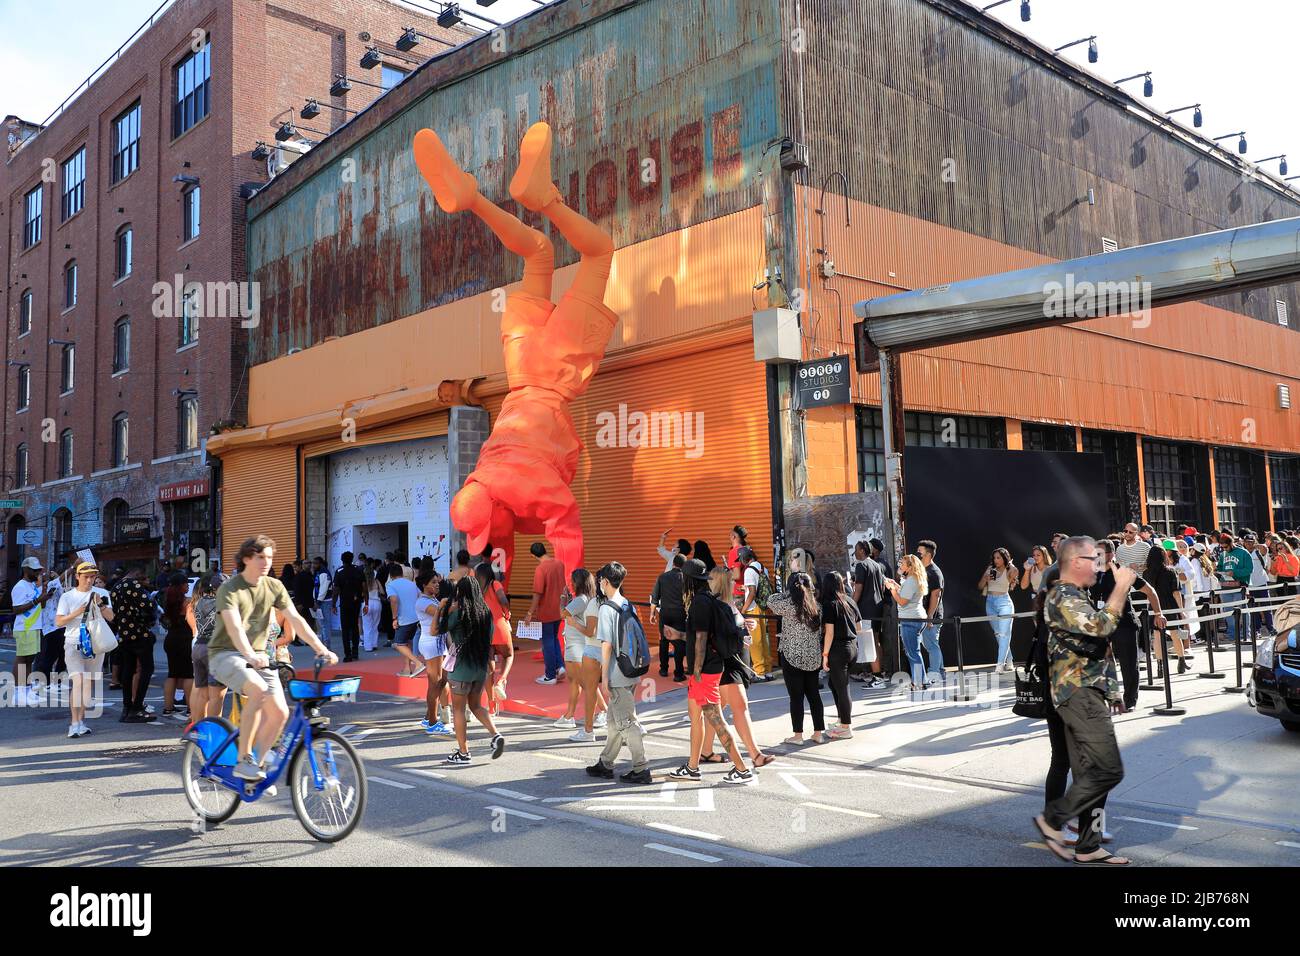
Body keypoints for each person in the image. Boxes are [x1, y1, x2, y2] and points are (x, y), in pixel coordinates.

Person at [1033, 536, 1134, 866]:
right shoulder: (1062, 595)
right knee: (1105, 768)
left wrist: (1114, 690)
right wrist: (1121, 588)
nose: (1100, 565)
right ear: (1076, 562)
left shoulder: (1077, 596)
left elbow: (1100, 652)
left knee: (1092, 771)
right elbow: (1101, 628)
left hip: (1085, 691)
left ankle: (1088, 846)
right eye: (1094, 559)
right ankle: (1053, 820)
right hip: (1076, 693)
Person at [209, 536, 336, 781]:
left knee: (279, 712)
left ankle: (257, 766)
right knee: (256, 689)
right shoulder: (230, 588)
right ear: (246, 559)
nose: (266, 562)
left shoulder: (273, 586)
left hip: (259, 657)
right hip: (226, 654)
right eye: (260, 557)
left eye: (269, 557)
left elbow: (296, 620)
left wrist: (320, 647)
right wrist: (249, 655)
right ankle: (244, 760)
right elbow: (234, 627)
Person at [667, 558, 753, 783]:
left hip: (704, 671)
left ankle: (742, 769)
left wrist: (695, 671)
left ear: (688, 580)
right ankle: (693, 766)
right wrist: (679, 636)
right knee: (695, 718)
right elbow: (699, 635)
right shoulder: (707, 600)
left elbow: (702, 639)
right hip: (707, 669)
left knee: (716, 719)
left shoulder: (700, 603)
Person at [698, 565, 775, 767]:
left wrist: (746, 625)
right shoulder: (717, 606)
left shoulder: (727, 604)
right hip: (727, 664)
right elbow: (721, 636)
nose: (735, 583)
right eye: (731, 580)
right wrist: (741, 634)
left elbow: (731, 629)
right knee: (740, 707)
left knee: (718, 709)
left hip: (734, 663)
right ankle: (755, 754)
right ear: (723, 582)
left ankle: (705, 751)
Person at [586, 562, 652, 784]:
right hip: (631, 669)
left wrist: (604, 677)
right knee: (615, 721)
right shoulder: (627, 604)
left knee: (626, 721)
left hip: (617, 673)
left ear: (605, 582)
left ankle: (641, 768)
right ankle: (605, 763)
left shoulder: (606, 608)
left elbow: (606, 645)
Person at [443, 576, 506, 764]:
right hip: (480, 670)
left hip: (461, 670)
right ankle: (495, 735)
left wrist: (444, 610)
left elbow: (439, 629)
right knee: (477, 705)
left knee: (459, 710)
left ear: (460, 593)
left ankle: (463, 752)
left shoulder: (459, 613)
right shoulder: (485, 613)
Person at [1092, 540, 1161, 712]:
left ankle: (1130, 701)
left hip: (1124, 624)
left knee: (1128, 665)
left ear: (1111, 554)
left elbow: (1150, 591)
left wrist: (1159, 614)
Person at [54, 562, 114, 739]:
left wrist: (101, 605)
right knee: (78, 681)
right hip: (73, 642)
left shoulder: (102, 593)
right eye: (86, 576)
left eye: (92, 577)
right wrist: (77, 612)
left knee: (89, 682)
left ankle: (81, 721)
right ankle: (73, 723)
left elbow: (111, 617)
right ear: (77, 577)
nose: (89, 580)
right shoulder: (68, 597)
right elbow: (59, 622)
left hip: (95, 643)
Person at [766, 572, 826, 745]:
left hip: (791, 656)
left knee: (796, 697)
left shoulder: (787, 605)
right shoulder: (818, 607)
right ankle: (818, 733)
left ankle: (798, 736)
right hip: (812, 657)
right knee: (814, 695)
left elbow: (771, 600)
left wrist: (789, 591)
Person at [556, 567, 606, 740]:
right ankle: (569, 715)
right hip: (578, 645)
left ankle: (602, 712)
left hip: (576, 646)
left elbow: (563, 613)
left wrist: (563, 599)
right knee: (577, 681)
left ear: (578, 583)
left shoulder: (580, 600)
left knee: (585, 683)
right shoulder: (588, 599)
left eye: (573, 580)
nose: (571, 583)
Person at [110, 566, 158, 723]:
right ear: (138, 575)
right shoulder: (134, 585)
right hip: (140, 633)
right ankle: (137, 707)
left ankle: (127, 707)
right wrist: (151, 617)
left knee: (128, 670)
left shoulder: (116, 587)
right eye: (144, 579)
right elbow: (148, 606)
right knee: (147, 668)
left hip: (124, 634)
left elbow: (115, 612)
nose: (146, 582)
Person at [819, 571, 860, 739]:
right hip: (852, 648)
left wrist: (825, 655)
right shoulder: (850, 601)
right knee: (834, 684)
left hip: (837, 649)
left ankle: (846, 726)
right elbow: (859, 627)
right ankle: (841, 719)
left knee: (842, 687)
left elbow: (829, 633)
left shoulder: (830, 604)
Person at [9, 557, 54, 706]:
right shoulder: (20, 587)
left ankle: (26, 690)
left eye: (38, 570)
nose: (37, 572)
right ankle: (17, 692)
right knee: (22, 659)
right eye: (35, 570)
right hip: (24, 628)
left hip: (34, 626)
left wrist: (45, 596)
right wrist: (37, 600)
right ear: (26, 570)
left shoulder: (32, 586)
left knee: (29, 660)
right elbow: (16, 609)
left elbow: (40, 606)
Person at [523, 541, 569, 684]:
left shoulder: (540, 569)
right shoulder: (559, 564)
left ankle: (550, 675)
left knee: (547, 641)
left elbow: (537, 593)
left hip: (546, 611)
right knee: (553, 638)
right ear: (545, 550)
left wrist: (530, 613)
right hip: (559, 609)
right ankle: (560, 667)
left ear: (533, 555)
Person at [414, 572, 452, 736]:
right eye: (433, 582)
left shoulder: (433, 599)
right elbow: (441, 614)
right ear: (424, 585)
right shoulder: (422, 601)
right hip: (431, 643)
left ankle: (429, 716)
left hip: (439, 643)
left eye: (438, 582)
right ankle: (432, 723)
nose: (437, 585)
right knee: (435, 683)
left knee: (443, 680)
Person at [476, 562, 516, 717]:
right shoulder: (495, 584)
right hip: (499, 625)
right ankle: (502, 681)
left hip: (483, 629)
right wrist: (507, 612)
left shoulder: (477, 589)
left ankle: (491, 706)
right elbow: (503, 600)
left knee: (488, 670)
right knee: (509, 655)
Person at [884, 554, 928, 690]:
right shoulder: (913, 579)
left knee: (912, 653)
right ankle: (920, 681)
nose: (900, 566)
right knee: (914, 651)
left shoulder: (911, 581)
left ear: (910, 567)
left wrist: (891, 589)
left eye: (902, 564)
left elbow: (902, 601)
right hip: (916, 618)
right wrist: (896, 585)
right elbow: (905, 594)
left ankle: (919, 683)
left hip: (910, 619)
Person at [188, 571, 226, 722]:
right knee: (217, 696)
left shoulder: (199, 602)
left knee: (202, 693)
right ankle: (214, 732)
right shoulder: (223, 603)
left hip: (199, 646)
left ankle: (197, 729)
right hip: (216, 648)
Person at [850, 541, 888, 687]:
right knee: (876, 641)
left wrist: (851, 606)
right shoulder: (876, 565)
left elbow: (858, 589)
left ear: (861, 550)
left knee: (870, 643)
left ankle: (877, 677)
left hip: (866, 610)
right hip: (877, 609)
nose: (855, 553)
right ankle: (879, 674)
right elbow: (882, 586)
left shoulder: (861, 565)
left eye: (856, 550)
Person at [737, 545, 775, 682]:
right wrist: (745, 588)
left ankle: (759, 672)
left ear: (744, 557)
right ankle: (768, 671)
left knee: (755, 642)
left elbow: (752, 593)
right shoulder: (761, 567)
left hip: (753, 609)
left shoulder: (748, 571)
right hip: (762, 608)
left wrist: (743, 610)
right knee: (764, 641)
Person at [160, 576, 194, 720]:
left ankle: (168, 708)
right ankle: (190, 708)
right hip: (185, 639)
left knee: (172, 673)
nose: (187, 586)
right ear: (181, 585)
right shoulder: (188, 602)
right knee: (188, 674)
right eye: (186, 584)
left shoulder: (167, 600)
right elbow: (193, 622)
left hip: (171, 639)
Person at [651, 554, 688, 682]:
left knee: (664, 641)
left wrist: (652, 614)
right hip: (680, 613)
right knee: (679, 643)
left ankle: (664, 669)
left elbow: (655, 597)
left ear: (673, 563)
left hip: (665, 613)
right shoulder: (686, 578)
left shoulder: (662, 577)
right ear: (685, 565)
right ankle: (678, 673)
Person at [980, 548, 1017, 673]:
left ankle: (1000, 664)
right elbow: (980, 586)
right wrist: (985, 579)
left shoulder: (1010, 569)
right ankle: (1010, 659)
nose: (996, 560)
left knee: (1004, 634)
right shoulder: (990, 569)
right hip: (990, 602)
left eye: (999, 558)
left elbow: (1014, 577)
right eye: (994, 558)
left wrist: (1010, 565)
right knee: (998, 634)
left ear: (1004, 558)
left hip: (1004, 602)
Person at [386, 561, 425, 678]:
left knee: (398, 644)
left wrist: (394, 618)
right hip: (416, 618)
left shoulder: (391, 585)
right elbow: (420, 596)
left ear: (391, 575)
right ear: (402, 573)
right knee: (406, 642)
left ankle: (418, 663)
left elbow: (393, 600)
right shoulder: (411, 584)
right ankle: (407, 669)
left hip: (404, 619)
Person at [916, 540, 945, 684]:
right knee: (933, 644)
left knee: (931, 645)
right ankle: (940, 672)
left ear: (928, 554)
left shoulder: (934, 572)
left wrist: (929, 617)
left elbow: (936, 595)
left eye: (920, 551)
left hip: (932, 617)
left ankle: (934, 674)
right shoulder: (923, 570)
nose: (917, 554)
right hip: (926, 616)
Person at [334, 551, 365, 662]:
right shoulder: (358, 570)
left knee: (345, 629)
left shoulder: (339, 571)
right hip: (356, 602)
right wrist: (366, 602)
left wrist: (333, 604)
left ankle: (348, 654)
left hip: (345, 603)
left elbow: (336, 590)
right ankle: (355, 652)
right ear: (352, 559)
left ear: (342, 560)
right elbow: (364, 587)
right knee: (355, 627)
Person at [360, 565, 382, 653]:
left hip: (366, 603)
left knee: (366, 625)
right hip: (377, 603)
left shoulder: (362, 582)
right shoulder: (376, 581)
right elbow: (382, 591)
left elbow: (361, 594)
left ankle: (368, 646)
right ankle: (374, 644)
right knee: (375, 625)